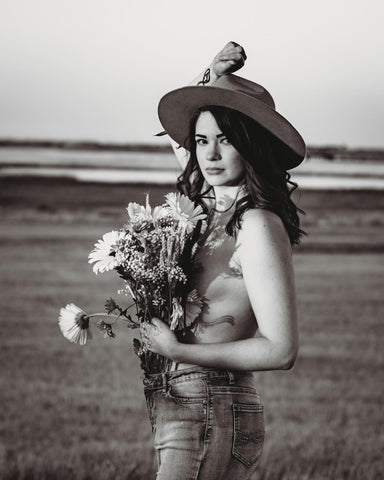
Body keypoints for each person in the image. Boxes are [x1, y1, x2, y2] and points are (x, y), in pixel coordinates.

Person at [140, 41, 306, 480]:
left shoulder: (256, 224)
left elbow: (281, 348)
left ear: (251, 145)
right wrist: (211, 78)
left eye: (226, 140)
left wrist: (178, 350)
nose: (209, 154)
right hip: (185, 403)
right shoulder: (209, 211)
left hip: (213, 403)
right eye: (202, 141)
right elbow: (184, 144)